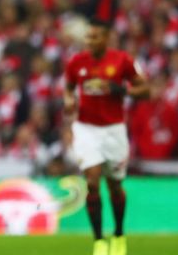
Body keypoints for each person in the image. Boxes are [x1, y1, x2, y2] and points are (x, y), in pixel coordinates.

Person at [64, 19, 148, 255]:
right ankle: (99, 241)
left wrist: (119, 89)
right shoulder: (77, 62)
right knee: (92, 181)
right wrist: (69, 101)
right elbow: (69, 87)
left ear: (107, 37)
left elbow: (146, 90)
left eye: (95, 37)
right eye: (88, 37)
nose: (90, 41)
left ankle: (119, 234)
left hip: (114, 130)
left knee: (114, 185)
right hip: (86, 128)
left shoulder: (122, 61)